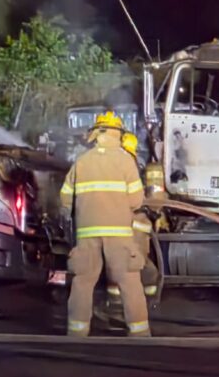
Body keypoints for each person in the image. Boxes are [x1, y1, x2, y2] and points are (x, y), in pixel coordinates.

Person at [60, 111, 150, 337]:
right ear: (117, 134)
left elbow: (65, 199)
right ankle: (139, 334)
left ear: (96, 134)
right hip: (119, 234)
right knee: (129, 281)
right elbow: (136, 200)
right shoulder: (125, 160)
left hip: (87, 234)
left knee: (82, 282)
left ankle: (77, 333)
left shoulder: (81, 162)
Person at [106, 131, 159, 301]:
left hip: (126, 221)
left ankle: (117, 296)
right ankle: (146, 292)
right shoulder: (129, 164)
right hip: (135, 221)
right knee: (138, 258)